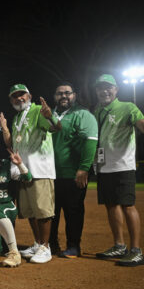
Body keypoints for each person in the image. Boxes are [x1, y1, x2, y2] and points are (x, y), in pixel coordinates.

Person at [93, 74, 144, 266]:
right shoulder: (97, 110)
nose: (104, 91)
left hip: (123, 165)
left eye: (108, 87)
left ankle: (136, 250)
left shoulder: (128, 107)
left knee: (127, 205)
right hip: (104, 167)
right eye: (100, 88)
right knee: (111, 205)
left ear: (116, 89)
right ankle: (119, 245)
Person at [7, 83, 61, 264]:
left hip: (40, 168)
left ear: (29, 96)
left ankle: (46, 247)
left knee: (43, 210)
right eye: (15, 96)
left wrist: (51, 117)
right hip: (23, 170)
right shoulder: (16, 118)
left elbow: (55, 127)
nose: (18, 98)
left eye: (22, 95)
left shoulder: (39, 110)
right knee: (30, 211)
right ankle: (38, 243)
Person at [49, 82, 98, 258]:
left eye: (67, 93)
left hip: (73, 174)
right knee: (50, 213)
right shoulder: (49, 115)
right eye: (59, 93)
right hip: (50, 174)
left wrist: (84, 168)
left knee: (73, 211)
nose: (63, 96)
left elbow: (90, 142)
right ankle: (51, 244)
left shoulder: (83, 114)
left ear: (74, 96)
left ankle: (73, 246)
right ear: (54, 97)